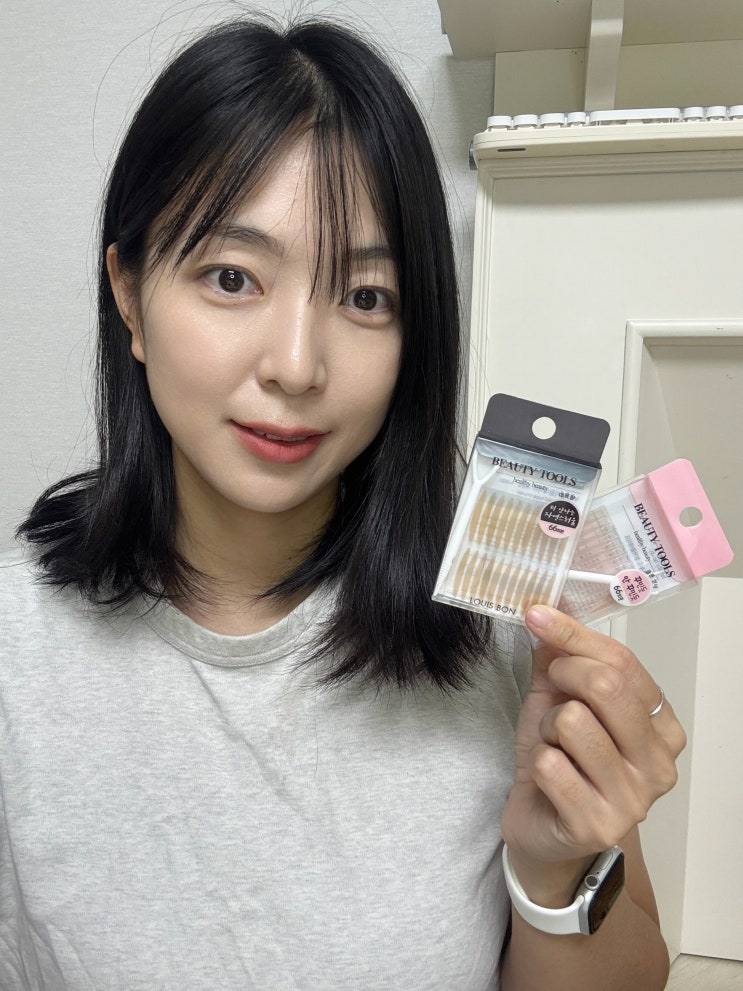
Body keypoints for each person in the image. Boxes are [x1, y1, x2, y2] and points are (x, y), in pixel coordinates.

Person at [0, 16, 686, 990]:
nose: (295, 364)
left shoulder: (502, 637)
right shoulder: (17, 649)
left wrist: (551, 871)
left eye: (365, 297)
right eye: (232, 277)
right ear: (130, 294)